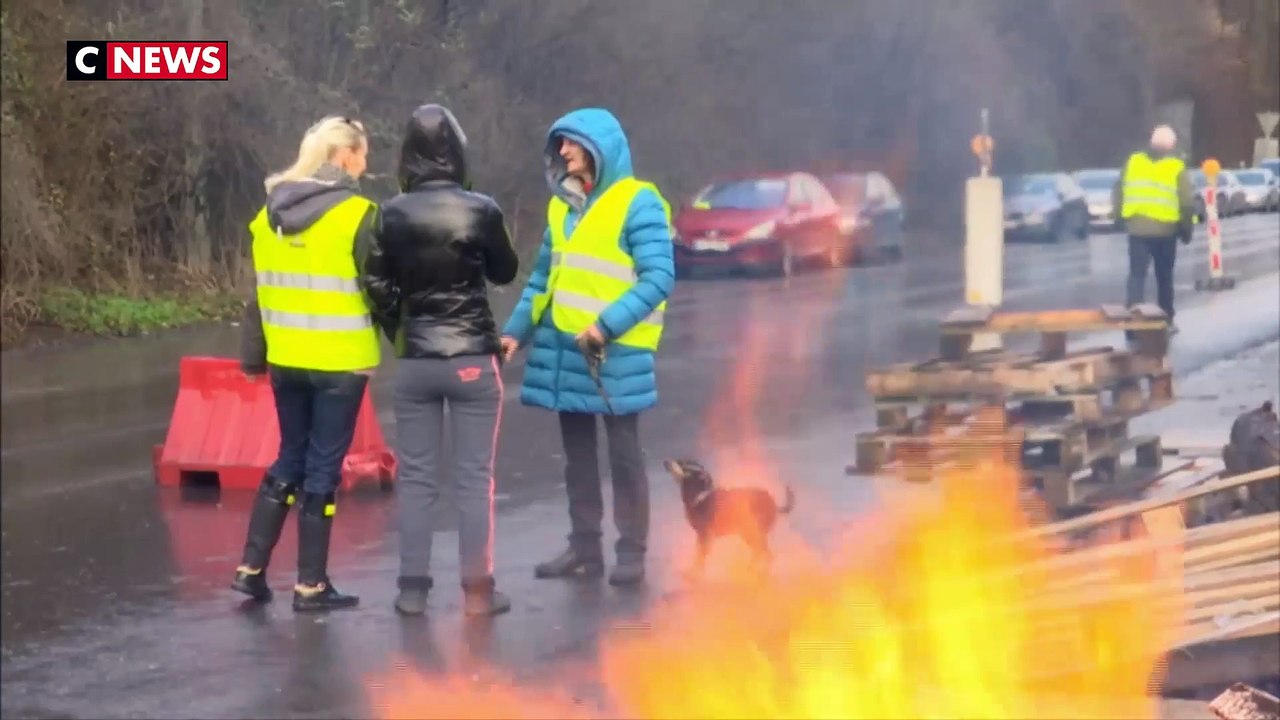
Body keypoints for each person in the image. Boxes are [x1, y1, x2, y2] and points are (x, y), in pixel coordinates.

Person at [500, 107, 676, 587]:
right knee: (577, 458)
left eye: (570, 142)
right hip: (565, 349)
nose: (562, 151)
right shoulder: (561, 207)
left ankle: (631, 551)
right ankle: (584, 549)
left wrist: (605, 326)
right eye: (558, 143)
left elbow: (659, 277)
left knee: (624, 456)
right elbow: (543, 280)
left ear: (600, 148)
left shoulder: (638, 202)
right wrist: (515, 331)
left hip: (615, 351)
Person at [361, 104, 520, 617]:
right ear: (457, 151)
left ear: (408, 154)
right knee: (474, 479)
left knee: (416, 479)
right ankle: (478, 592)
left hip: (416, 360)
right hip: (472, 356)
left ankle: (412, 590)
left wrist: (401, 326)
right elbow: (504, 271)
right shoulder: (481, 209)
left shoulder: (389, 213)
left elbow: (374, 282)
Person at [232, 115, 381, 612]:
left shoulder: (267, 215)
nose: (365, 164)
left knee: (289, 457)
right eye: (363, 154)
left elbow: (257, 296)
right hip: (341, 361)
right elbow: (379, 288)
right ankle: (311, 585)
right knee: (322, 468)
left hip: (286, 359)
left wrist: (253, 357)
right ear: (344, 156)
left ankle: (251, 570)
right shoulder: (359, 215)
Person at [1114, 124, 1196, 337]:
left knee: (1136, 276)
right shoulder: (1176, 166)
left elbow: (1118, 190)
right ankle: (1166, 320)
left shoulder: (1134, 161)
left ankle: (1132, 324)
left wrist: (1119, 217)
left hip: (1137, 230)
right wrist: (1186, 230)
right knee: (1164, 277)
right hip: (1165, 232)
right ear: (1171, 145)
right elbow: (1187, 202)